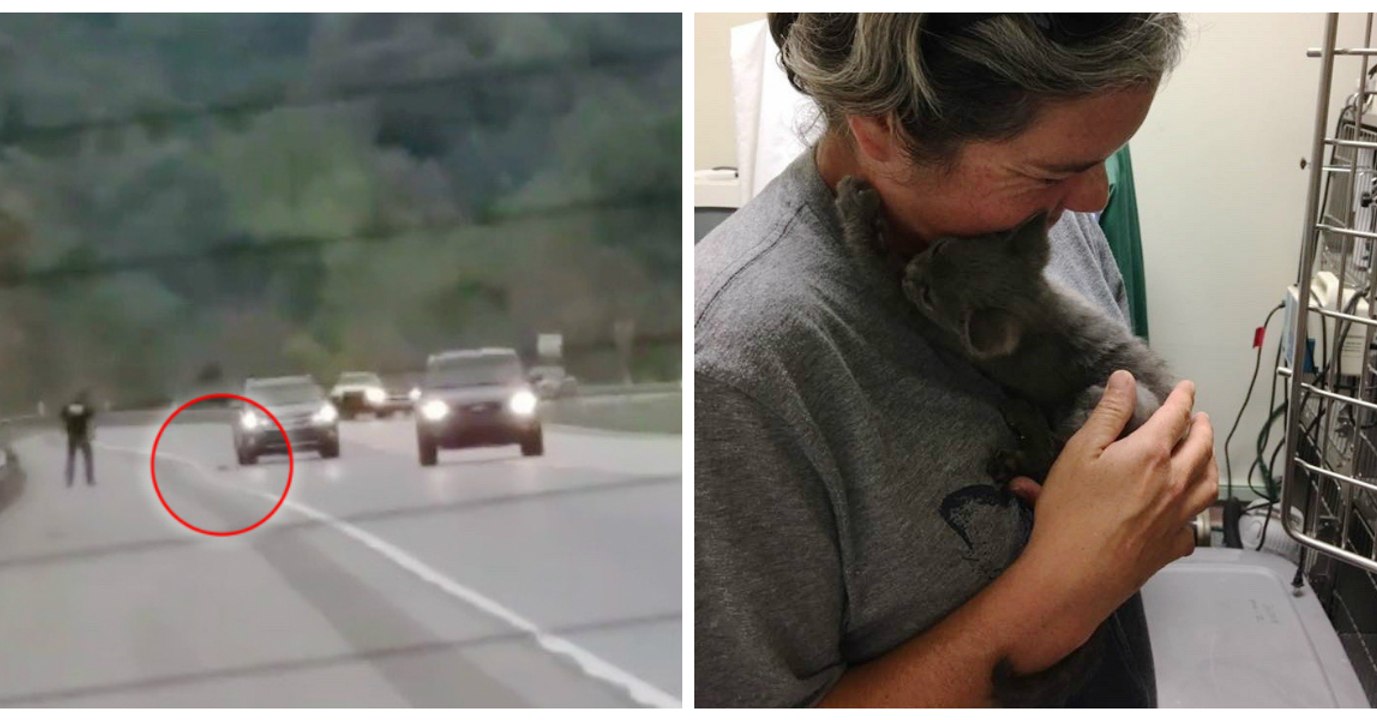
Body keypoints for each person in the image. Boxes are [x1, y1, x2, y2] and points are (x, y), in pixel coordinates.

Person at [695, 13, 1218, 707]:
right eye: (1055, 171)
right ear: (881, 125)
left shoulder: (1045, 222)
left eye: (1103, 159)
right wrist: (1058, 591)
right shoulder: (731, 377)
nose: (1095, 199)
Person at [60, 389, 96, 487]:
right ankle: (90, 479)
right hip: (82, 435)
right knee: (88, 457)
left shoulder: (69, 408)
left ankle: (69, 480)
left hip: (71, 436)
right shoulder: (84, 409)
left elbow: (62, 415)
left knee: (71, 458)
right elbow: (92, 414)